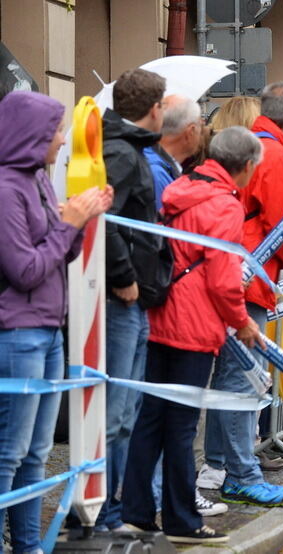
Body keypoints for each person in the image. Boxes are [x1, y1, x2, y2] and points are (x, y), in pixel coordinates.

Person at [122, 127, 264, 544]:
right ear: (247, 166)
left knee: (150, 419)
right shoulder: (224, 206)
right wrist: (242, 321)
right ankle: (183, 520)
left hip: (160, 312)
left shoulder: (181, 186)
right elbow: (223, 281)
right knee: (182, 425)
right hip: (194, 324)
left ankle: (137, 511)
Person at [199, 82, 283, 506]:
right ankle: (239, 473)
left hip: (246, 273)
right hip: (250, 278)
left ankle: (219, 467)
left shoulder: (264, 148)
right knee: (242, 381)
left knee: (233, 380)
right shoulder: (274, 153)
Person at [0, 90, 112, 553]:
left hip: (46, 331)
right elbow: (24, 270)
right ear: (31, 136)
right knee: (8, 453)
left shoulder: (40, 181)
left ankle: (28, 547)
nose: (62, 139)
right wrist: (70, 223)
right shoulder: (6, 189)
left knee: (36, 454)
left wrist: (83, 219)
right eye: (55, 131)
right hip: (18, 333)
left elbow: (58, 254)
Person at [100, 68, 165, 532]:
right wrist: (123, 276)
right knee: (116, 410)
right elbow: (108, 220)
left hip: (136, 298)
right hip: (123, 298)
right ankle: (104, 507)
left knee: (126, 410)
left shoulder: (130, 149)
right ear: (153, 108)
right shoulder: (121, 153)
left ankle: (117, 505)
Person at [145, 95, 203, 210]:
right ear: (190, 132)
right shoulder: (157, 174)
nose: (202, 133)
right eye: (200, 125)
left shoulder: (154, 165)